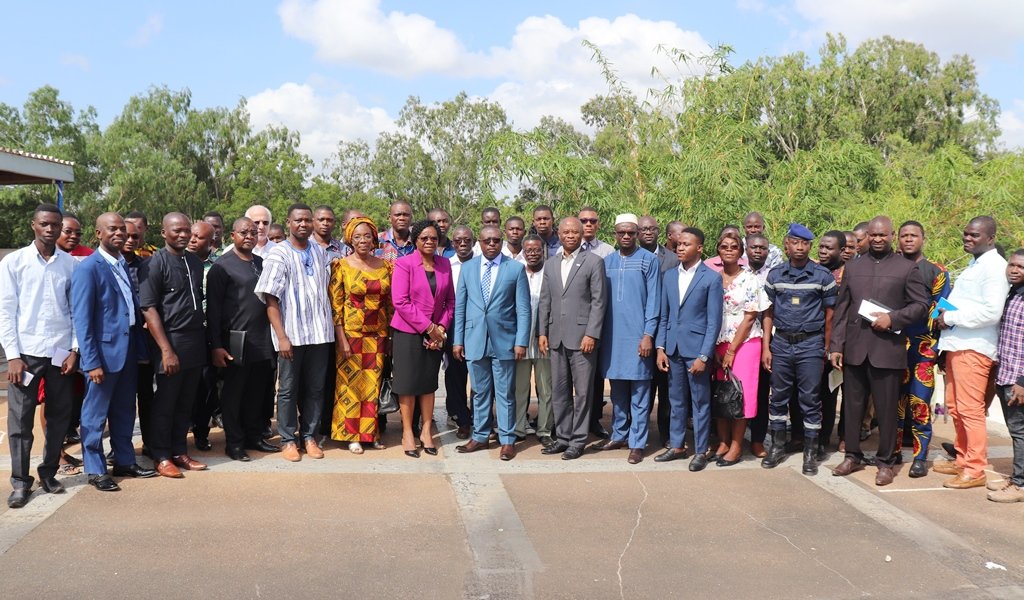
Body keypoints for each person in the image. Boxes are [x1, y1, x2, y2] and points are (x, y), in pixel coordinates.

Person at [830, 216, 929, 486]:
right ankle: (852, 455)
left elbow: (921, 305)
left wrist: (893, 319)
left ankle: (886, 462)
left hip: (887, 350)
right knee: (851, 408)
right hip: (855, 348)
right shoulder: (854, 266)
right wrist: (836, 346)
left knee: (886, 411)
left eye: (882, 235)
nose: (876, 239)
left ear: (892, 236)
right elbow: (842, 309)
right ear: (866, 237)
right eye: (872, 235)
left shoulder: (906, 268)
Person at [0, 204, 79, 508]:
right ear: (33, 225)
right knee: (20, 420)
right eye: (45, 224)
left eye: (55, 225)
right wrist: (13, 357)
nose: (50, 229)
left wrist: (74, 350)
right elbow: (6, 312)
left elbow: (75, 312)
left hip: (60, 353)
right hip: (27, 354)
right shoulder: (14, 263)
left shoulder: (70, 265)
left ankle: (49, 472)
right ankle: (20, 483)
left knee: (60, 416)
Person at [72, 212, 157, 491]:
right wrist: (92, 361)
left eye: (122, 229)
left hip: (127, 350)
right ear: (98, 234)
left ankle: (124, 461)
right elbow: (82, 320)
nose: (119, 233)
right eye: (113, 229)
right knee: (94, 415)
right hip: (103, 356)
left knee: (123, 411)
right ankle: (95, 469)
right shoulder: (89, 268)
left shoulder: (120, 263)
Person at [254, 203, 336, 462]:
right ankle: (289, 439)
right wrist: (281, 337)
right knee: (288, 389)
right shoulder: (279, 254)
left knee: (315, 389)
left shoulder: (319, 252)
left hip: (320, 334)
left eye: (307, 220)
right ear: (288, 223)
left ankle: (309, 437)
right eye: (298, 220)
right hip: (292, 336)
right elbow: (270, 300)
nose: (303, 224)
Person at [933, 216, 1010, 489]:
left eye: (974, 235)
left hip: (974, 347)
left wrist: (951, 318)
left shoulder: (994, 268)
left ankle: (975, 468)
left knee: (970, 409)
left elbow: (992, 311)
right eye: (966, 233)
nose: (967, 238)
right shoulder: (975, 263)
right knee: (954, 407)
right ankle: (962, 458)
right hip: (956, 344)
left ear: (990, 238)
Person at [761, 224, 836, 475]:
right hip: (781, 343)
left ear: (810, 246)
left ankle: (810, 453)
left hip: (810, 344)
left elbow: (830, 315)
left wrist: (826, 346)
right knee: (778, 397)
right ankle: (777, 447)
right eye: (795, 242)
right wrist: (766, 347)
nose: (800, 247)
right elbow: (767, 313)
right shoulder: (775, 275)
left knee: (810, 400)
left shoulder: (823, 276)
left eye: (805, 243)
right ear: (787, 245)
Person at [139, 212, 208, 479]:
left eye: (186, 230)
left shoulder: (195, 261)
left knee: (186, 401)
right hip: (170, 341)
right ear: (164, 233)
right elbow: (149, 308)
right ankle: (162, 455)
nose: (182, 235)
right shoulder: (154, 264)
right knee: (165, 402)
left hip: (195, 340)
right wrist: (166, 350)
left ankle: (180, 450)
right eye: (176, 230)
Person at [453, 225, 531, 461]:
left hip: (505, 342)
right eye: (487, 241)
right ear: (480, 241)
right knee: (479, 392)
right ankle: (480, 435)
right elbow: (460, 308)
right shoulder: (467, 268)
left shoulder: (515, 269)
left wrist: (521, 342)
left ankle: (507, 440)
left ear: (502, 241)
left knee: (506, 393)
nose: (492, 245)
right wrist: (458, 340)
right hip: (474, 340)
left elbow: (524, 310)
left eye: (496, 240)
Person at [206, 217, 280, 461]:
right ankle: (234, 444)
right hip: (235, 340)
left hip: (261, 339)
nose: (249, 236)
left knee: (256, 393)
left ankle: (254, 437)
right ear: (232, 236)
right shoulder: (222, 267)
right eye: (244, 232)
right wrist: (216, 345)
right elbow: (213, 310)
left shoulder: (260, 262)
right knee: (234, 395)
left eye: (253, 232)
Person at [654, 227, 723, 471]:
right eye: (679, 244)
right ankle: (677, 446)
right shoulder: (669, 276)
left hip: (696, 352)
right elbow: (665, 315)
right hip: (672, 348)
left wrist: (704, 355)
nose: (680, 248)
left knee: (700, 402)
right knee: (675, 400)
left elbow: (714, 321)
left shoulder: (712, 278)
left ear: (700, 248)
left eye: (686, 244)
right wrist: (660, 347)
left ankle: (701, 450)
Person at [538, 217, 607, 460]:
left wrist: (592, 333)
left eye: (575, 232)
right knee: (559, 391)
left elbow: (599, 302)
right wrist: (542, 332)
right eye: (566, 231)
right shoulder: (551, 263)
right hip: (555, 337)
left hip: (582, 339)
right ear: (559, 233)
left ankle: (578, 441)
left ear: (582, 235)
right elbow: (545, 300)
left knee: (583, 393)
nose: (570, 235)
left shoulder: (594, 262)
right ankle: (563, 437)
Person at [595, 214, 661, 464]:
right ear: (614, 234)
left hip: (638, 337)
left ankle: (637, 442)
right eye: (621, 232)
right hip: (613, 339)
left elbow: (654, 300)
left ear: (636, 234)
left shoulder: (648, 261)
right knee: (618, 393)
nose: (625, 236)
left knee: (640, 393)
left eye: (630, 233)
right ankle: (619, 434)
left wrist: (648, 335)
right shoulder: (607, 262)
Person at [328, 217, 393, 454]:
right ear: (350, 240)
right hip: (351, 335)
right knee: (350, 386)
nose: (363, 240)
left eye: (367, 236)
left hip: (377, 336)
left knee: (372, 386)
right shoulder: (341, 266)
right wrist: (341, 338)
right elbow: (336, 307)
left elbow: (389, 305)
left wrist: (390, 337)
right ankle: (350, 434)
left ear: (374, 238)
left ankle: (370, 433)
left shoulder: (386, 266)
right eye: (357, 237)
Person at [390, 220, 455, 458]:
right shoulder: (404, 263)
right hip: (408, 332)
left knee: (428, 383)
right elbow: (400, 301)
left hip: (436, 332)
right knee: (407, 384)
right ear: (415, 240)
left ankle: (427, 430)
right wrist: (428, 327)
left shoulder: (445, 264)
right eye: (424, 238)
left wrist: (440, 328)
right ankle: (408, 431)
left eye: (433, 238)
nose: (429, 242)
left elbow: (450, 302)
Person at [894, 221, 950, 477]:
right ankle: (892, 451)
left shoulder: (937, 271)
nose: (908, 239)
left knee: (919, 403)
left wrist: (940, 348)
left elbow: (943, 308)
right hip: (892, 345)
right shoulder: (890, 267)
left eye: (913, 235)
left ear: (922, 238)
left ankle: (920, 457)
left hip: (924, 349)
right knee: (893, 403)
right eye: (903, 235)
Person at [711, 230, 766, 466]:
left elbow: (750, 316)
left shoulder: (750, 279)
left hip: (744, 343)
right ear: (718, 251)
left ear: (741, 252)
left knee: (740, 395)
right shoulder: (713, 278)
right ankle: (723, 441)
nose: (729, 250)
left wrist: (732, 350)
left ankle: (736, 445)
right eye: (725, 246)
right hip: (718, 343)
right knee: (722, 392)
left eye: (734, 247)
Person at [989, 250, 1024, 502]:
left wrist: (1022, 381)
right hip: (1006, 374)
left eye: (1021, 267)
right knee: (1016, 430)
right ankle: (1017, 476)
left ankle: (1020, 485)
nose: (1014, 270)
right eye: (1011, 265)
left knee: (1020, 430)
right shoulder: (1013, 294)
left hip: (1018, 379)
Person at [514, 235, 554, 446]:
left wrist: (544, 333)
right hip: (521, 340)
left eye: (536, 250)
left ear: (543, 251)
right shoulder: (515, 271)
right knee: (519, 388)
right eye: (528, 250)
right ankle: (519, 428)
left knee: (546, 388)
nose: (532, 253)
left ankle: (545, 430)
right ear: (523, 251)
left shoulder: (551, 272)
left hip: (544, 340)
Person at [121, 220, 155, 456]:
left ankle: (150, 443)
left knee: (146, 393)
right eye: (127, 235)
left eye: (135, 236)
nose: (131, 240)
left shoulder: (147, 266)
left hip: (143, 338)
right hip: (119, 340)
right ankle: (120, 447)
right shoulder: (108, 265)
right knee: (121, 398)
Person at [815, 230, 849, 454]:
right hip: (818, 340)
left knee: (850, 392)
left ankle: (846, 435)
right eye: (822, 247)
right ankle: (822, 437)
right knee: (823, 393)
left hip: (846, 339)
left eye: (829, 248)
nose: (824, 251)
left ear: (842, 250)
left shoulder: (851, 273)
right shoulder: (814, 270)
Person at [187, 221, 219, 452]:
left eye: (198, 237)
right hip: (184, 333)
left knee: (206, 387)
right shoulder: (176, 260)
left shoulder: (218, 266)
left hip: (209, 332)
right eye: (191, 235)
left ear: (211, 242)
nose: (192, 239)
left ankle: (201, 432)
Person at [744, 232, 774, 458]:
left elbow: (769, 313)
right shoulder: (737, 273)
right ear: (746, 249)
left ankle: (757, 440)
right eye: (753, 247)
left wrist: (767, 345)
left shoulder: (774, 276)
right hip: (736, 340)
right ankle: (727, 439)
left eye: (762, 248)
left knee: (761, 393)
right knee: (732, 391)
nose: (757, 251)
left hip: (765, 341)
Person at [445, 226, 476, 438]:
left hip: (478, 325)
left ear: (473, 241)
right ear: (453, 243)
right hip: (453, 323)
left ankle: (480, 417)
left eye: (466, 240)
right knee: (455, 374)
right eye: (458, 241)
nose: (462, 244)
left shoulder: (483, 262)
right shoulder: (446, 265)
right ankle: (461, 418)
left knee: (479, 375)